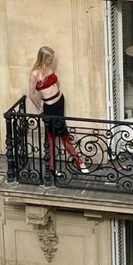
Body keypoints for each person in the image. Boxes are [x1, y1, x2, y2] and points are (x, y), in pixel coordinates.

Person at [29, 46, 88, 175]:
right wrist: (40, 108)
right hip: (50, 107)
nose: (52, 61)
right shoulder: (35, 73)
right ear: (44, 58)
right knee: (52, 137)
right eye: (50, 59)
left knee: (63, 134)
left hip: (60, 101)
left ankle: (78, 162)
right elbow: (31, 94)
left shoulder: (48, 68)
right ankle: (57, 167)